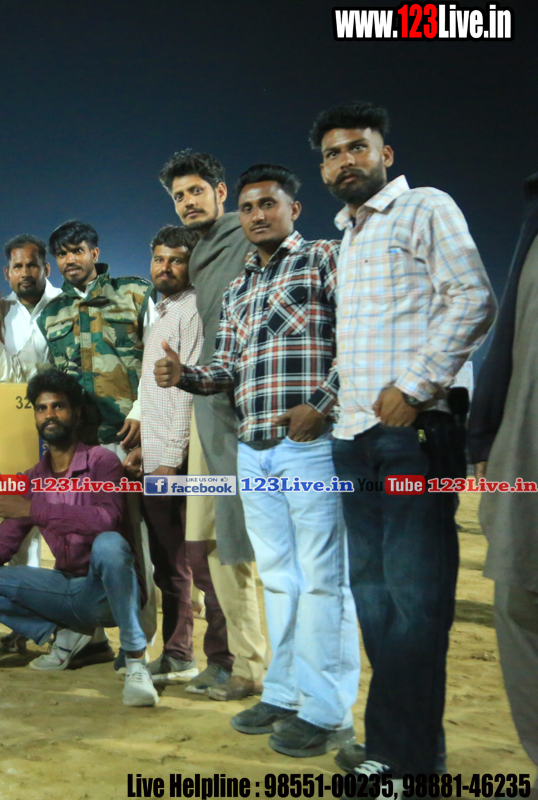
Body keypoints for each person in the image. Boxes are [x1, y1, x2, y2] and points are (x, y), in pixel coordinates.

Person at [311, 102, 496, 779]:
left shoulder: (425, 207)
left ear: (385, 154)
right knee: (377, 600)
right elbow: (354, 346)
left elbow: (474, 298)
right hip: (354, 439)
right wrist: (326, 405)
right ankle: (404, 749)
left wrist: (415, 387)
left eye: (356, 147)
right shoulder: (348, 240)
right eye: (332, 154)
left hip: (415, 436)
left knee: (416, 601)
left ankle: (400, 763)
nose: (344, 161)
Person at [157, 164, 360, 758]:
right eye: (248, 208)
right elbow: (227, 367)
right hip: (255, 447)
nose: (257, 215)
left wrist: (322, 403)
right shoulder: (240, 285)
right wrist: (184, 376)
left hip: (310, 447)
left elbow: (359, 335)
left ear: (294, 209)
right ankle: (285, 692)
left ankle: (329, 712)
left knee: (323, 581)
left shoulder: (323, 258)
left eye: (268, 204)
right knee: (280, 579)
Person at [0, 369, 158, 707]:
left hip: (107, 593)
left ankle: (136, 662)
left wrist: (34, 510)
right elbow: (0, 549)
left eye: (58, 406)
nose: (50, 415)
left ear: (76, 413)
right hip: (66, 590)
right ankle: (65, 637)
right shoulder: (32, 479)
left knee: (109, 543)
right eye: (41, 408)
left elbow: (107, 519)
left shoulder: (101, 462)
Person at [158, 150, 270, 702]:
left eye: (196, 191)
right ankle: (228, 661)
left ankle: (253, 666)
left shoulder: (250, 238)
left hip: (252, 414)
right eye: (179, 195)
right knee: (205, 546)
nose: (188, 202)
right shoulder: (199, 254)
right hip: (209, 410)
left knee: (241, 544)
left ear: (221, 192)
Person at [36, 219, 156, 653]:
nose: (70, 259)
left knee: (136, 544)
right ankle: (91, 638)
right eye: (62, 253)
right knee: (80, 544)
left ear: (94, 252)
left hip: (129, 442)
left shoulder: (135, 293)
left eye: (77, 250)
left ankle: (139, 643)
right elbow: (45, 379)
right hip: (80, 451)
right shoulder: (51, 314)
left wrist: (141, 412)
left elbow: (158, 358)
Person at [130, 226, 233, 694]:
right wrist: (145, 446)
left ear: (193, 264)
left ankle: (224, 660)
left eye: (175, 260)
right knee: (170, 564)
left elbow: (185, 394)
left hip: (180, 460)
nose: (165, 268)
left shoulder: (191, 312)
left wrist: (168, 460)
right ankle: (178, 653)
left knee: (200, 562)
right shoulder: (164, 311)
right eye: (158, 259)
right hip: (158, 453)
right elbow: (156, 394)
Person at [468, 171, 538, 775]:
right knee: (520, 600)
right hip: (524, 443)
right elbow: (510, 329)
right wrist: (486, 430)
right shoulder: (534, 224)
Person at [0, 235, 63, 590]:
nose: (25, 272)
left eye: (32, 265)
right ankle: (31, 603)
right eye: (17, 266)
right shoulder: (2, 311)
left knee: (69, 521)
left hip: (63, 431)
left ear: (46, 268)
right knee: (21, 524)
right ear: (7, 272)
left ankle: (77, 609)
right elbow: (3, 373)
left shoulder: (66, 304)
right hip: (15, 430)